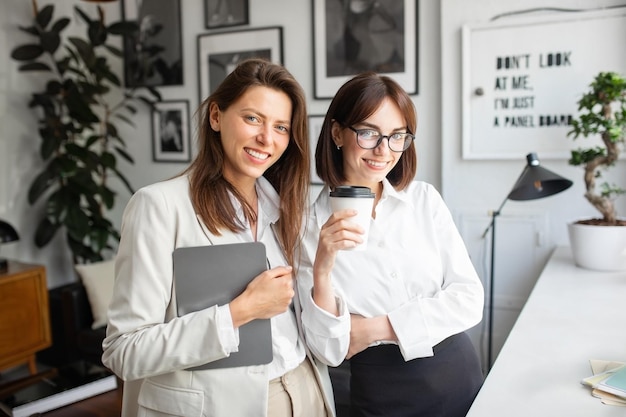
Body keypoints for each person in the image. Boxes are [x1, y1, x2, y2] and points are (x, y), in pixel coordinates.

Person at [102, 58, 336, 417]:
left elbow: (318, 333)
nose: (266, 139)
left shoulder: (289, 210)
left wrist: (323, 271)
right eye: (252, 118)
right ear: (216, 116)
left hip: (306, 391)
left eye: (281, 127)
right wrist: (239, 312)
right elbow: (124, 350)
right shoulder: (160, 207)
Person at [298, 72, 484, 417]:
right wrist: (323, 269)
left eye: (397, 136)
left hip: (461, 374)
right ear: (337, 133)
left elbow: (469, 299)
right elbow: (329, 349)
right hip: (384, 393)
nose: (383, 150)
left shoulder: (424, 200)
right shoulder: (308, 229)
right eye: (368, 133)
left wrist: (372, 327)